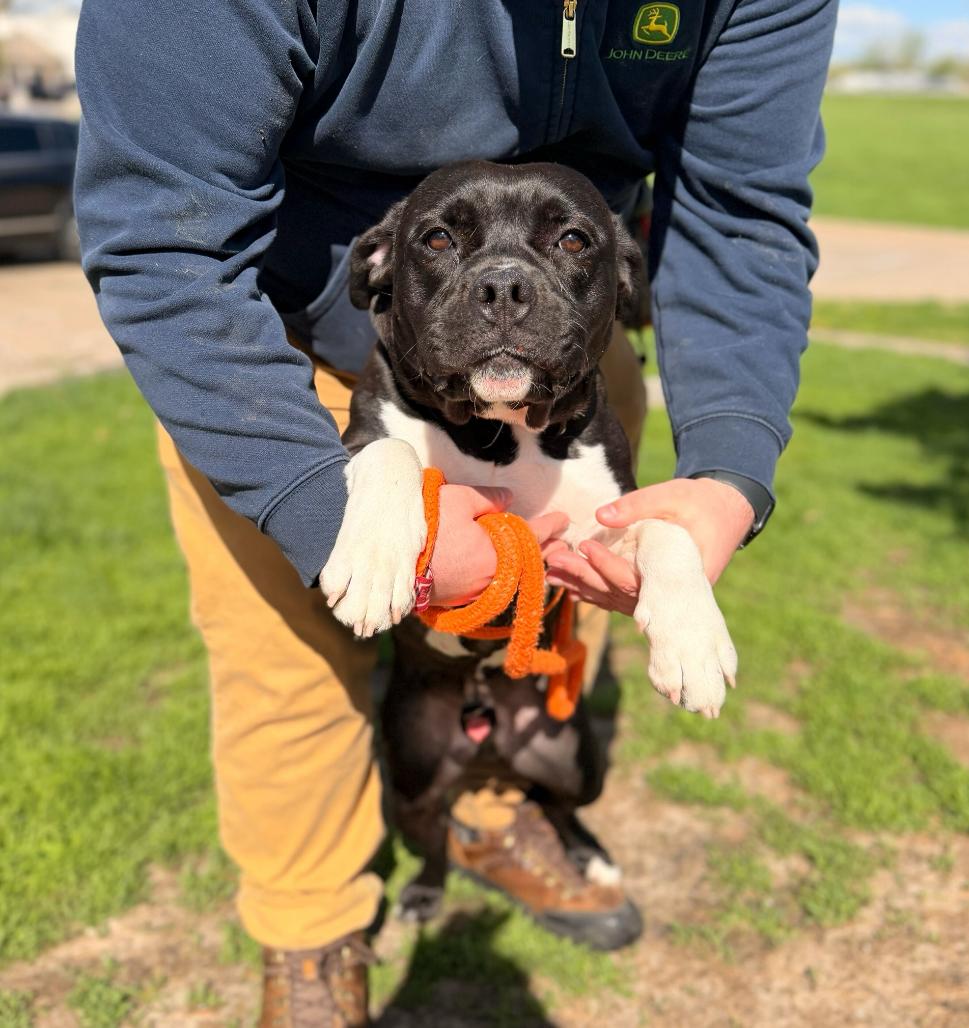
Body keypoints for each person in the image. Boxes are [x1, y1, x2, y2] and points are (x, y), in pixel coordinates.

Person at [74, 1, 838, 1023]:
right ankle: (312, 933)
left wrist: (722, 482)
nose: (501, 287)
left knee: (542, 638)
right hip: (277, 331)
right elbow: (159, 231)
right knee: (288, 656)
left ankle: (488, 807)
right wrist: (316, 495)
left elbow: (738, 214)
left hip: (573, 360)